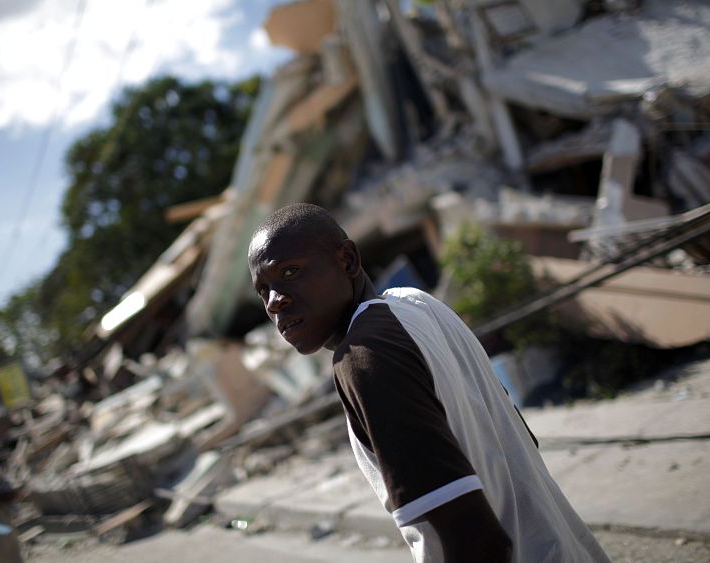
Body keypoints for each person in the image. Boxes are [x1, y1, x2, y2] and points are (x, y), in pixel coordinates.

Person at [248, 203, 610, 563]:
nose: (275, 302)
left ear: (347, 260)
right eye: (263, 290)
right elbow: (518, 438)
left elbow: (475, 539)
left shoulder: (363, 357)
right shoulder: (418, 306)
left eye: (290, 272)